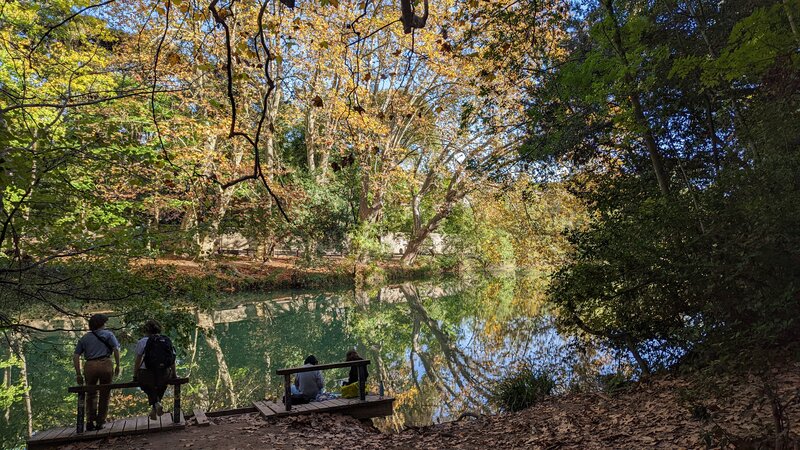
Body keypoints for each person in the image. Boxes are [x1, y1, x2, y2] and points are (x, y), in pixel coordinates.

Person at [73, 313, 121, 431]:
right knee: (105, 393)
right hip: (106, 364)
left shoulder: (84, 338)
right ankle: (100, 422)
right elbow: (116, 349)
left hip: (90, 366)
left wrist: (78, 373)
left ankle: (90, 421)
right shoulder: (109, 334)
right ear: (101, 324)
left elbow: (76, 355)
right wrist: (118, 365)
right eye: (104, 323)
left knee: (91, 393)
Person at [133, 320, 176, 420]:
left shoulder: (142, 342)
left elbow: (137, 361)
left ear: (146, 330)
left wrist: (135, 376)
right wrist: (174, 374)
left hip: (146, 373)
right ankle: (155, 407)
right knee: (162, 385)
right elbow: (172, 359)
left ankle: (155, 404)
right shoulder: (166, 340)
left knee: (145, 385)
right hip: (163, 373)